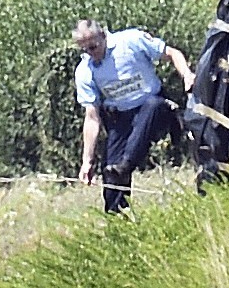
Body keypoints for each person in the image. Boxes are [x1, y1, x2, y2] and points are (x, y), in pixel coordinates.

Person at [73, 19, 196, 212]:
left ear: (104, 36)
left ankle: (126, 165)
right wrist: (87, 161)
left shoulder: (131, 40)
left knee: (152, 105)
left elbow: (172, 53)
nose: (91, 52)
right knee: (110, 171)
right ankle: (117, 218)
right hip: (122, 117)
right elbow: (91, 118)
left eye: (93, 46)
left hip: (155, 107)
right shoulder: (85, 71)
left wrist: (187, 75)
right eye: (85, 49)